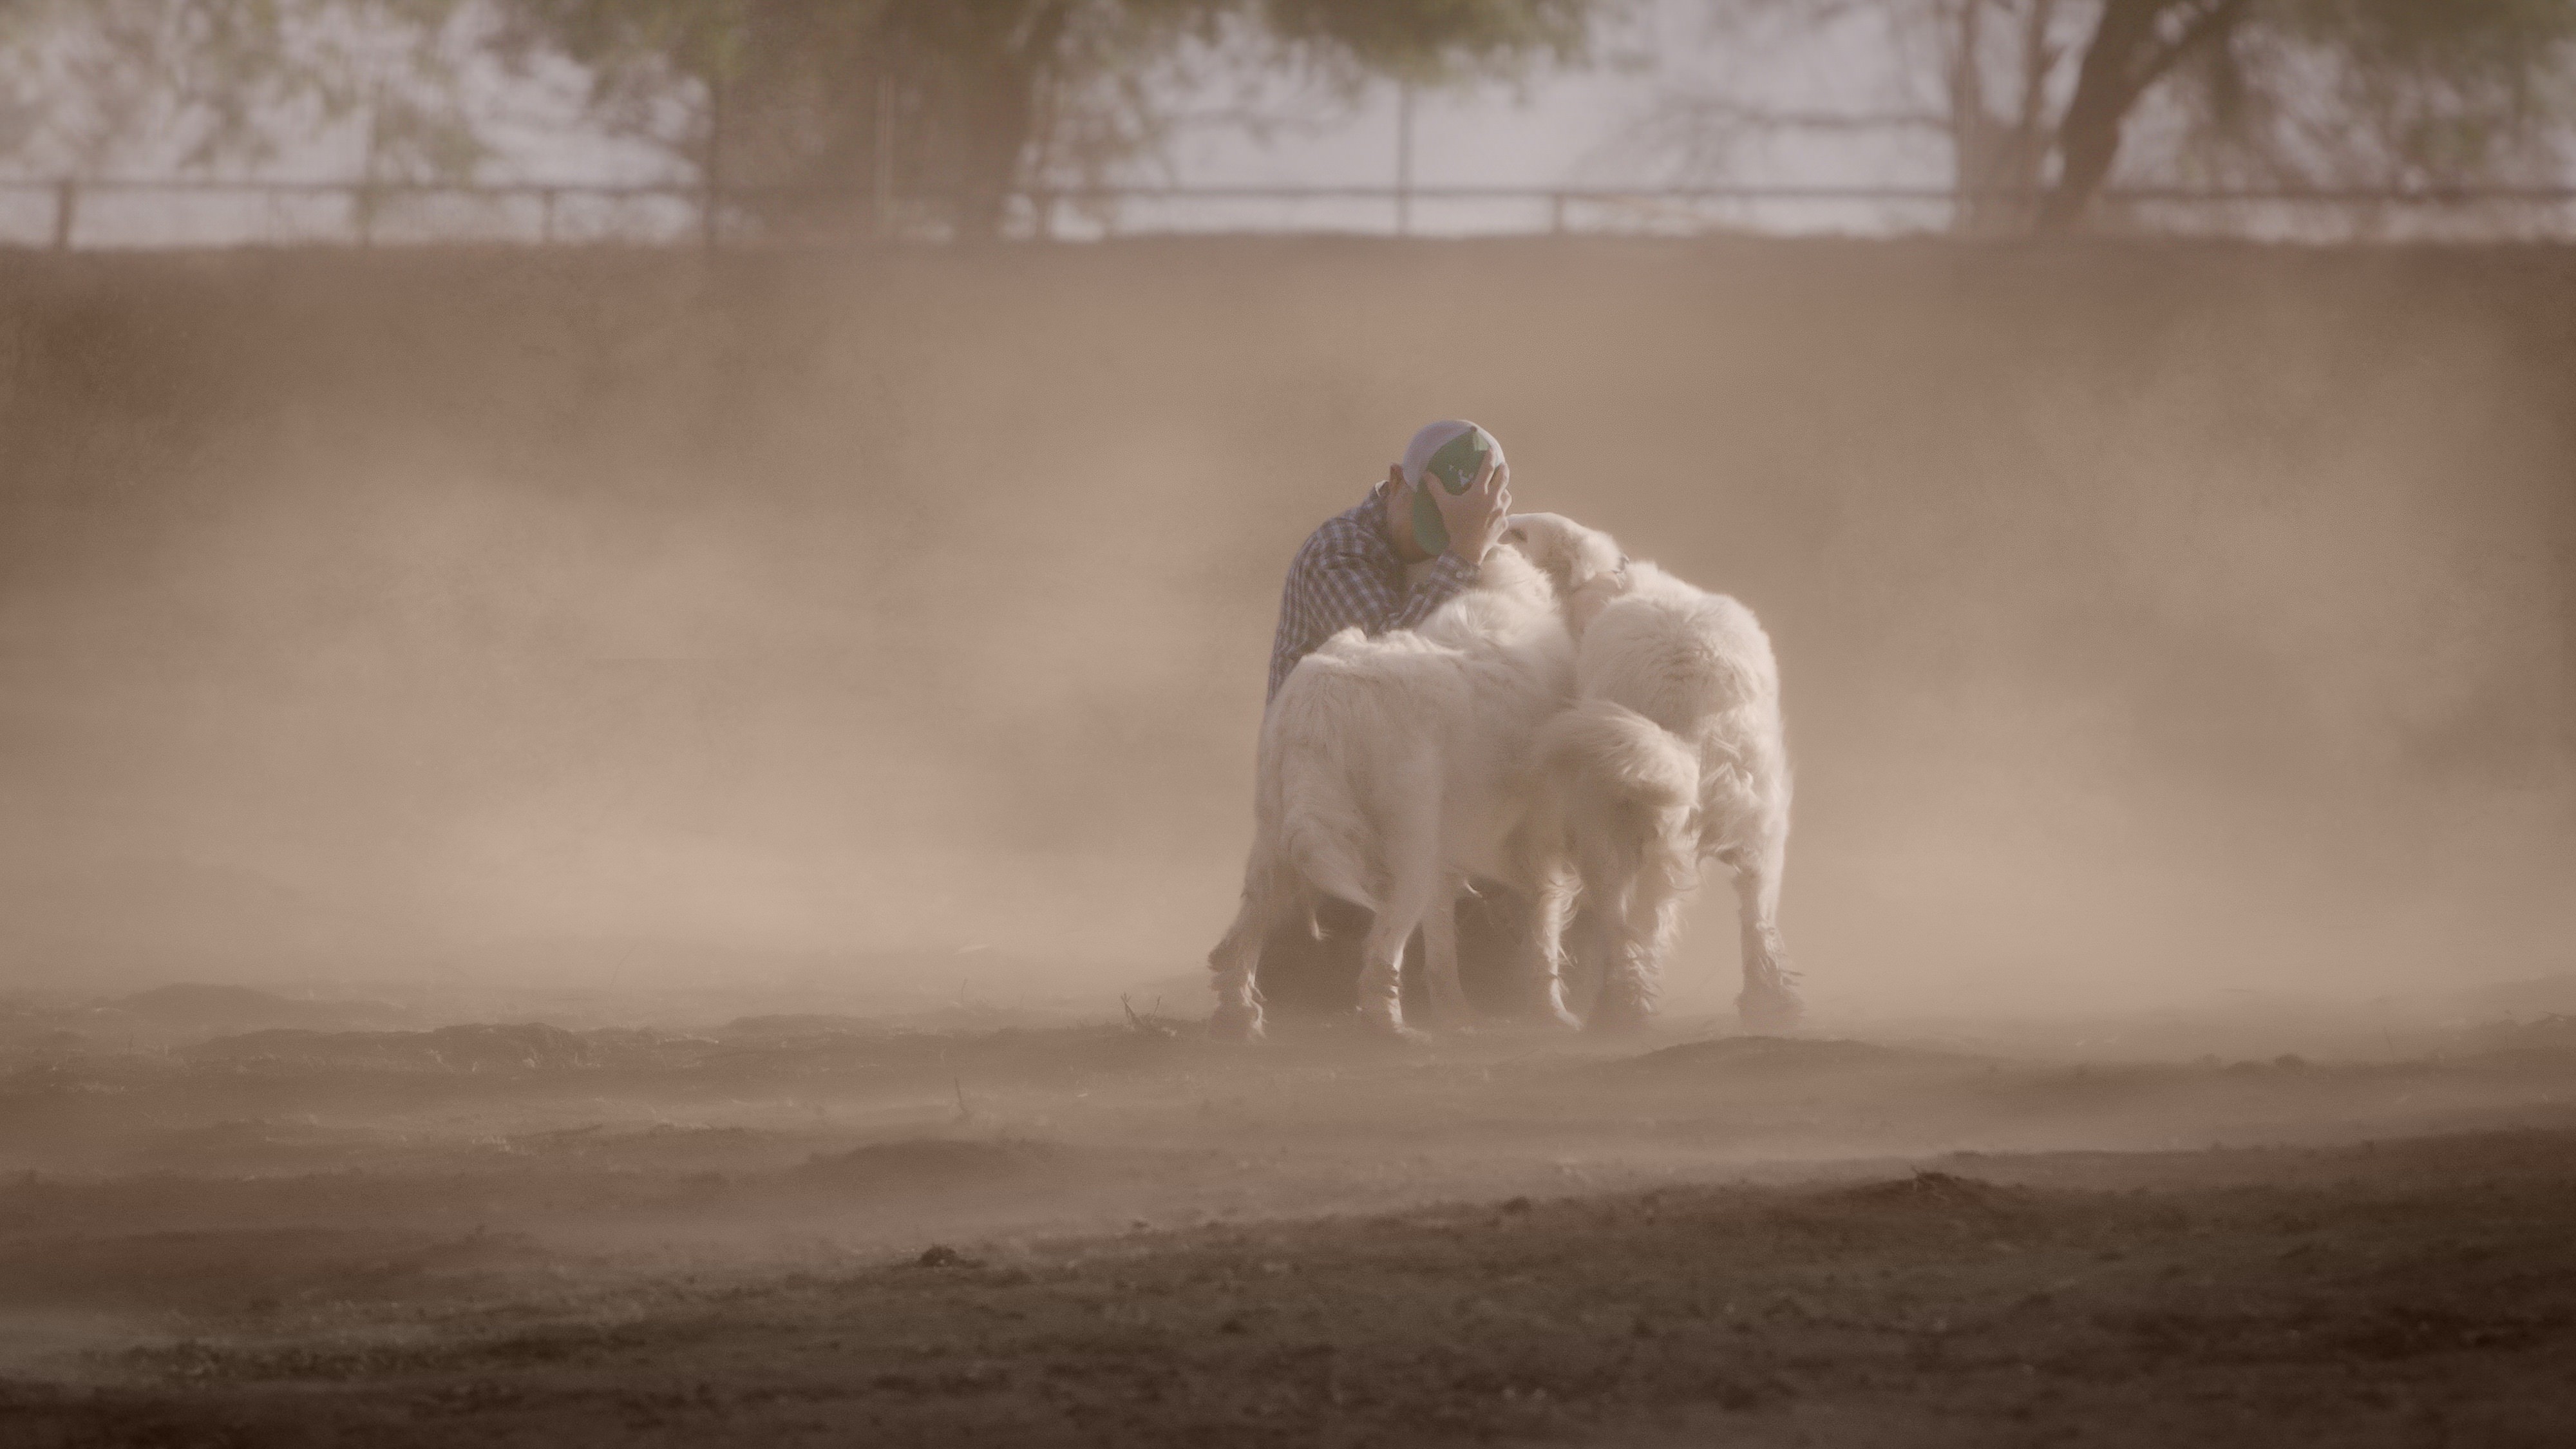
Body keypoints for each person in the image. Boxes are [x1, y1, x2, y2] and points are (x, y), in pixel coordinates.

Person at [1253, 420, 1534, 1022]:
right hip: (1336, 804)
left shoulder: (1470, 545)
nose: (1434, 550)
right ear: (1397, 484)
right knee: (1317, 994)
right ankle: (1300, 943)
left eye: (1453, 531)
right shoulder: (1339, 554)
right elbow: (1391, 666)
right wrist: (1463, 553)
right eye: (1429, 527)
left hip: (1410, 797)